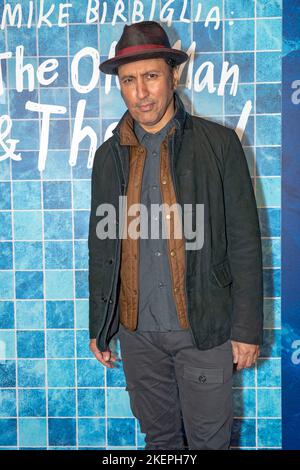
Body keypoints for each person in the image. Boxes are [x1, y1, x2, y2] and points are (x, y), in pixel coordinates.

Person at [88, 20, 263, 450]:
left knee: (209, 442)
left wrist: (246, 329)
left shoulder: (219, 144)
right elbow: (102, 247)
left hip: (203, 330)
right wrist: (99, 324)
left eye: (151, 76)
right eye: (129, 81)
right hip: (137, 334)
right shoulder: (107, 156)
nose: (140, 93)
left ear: (173, 75)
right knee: (160, 443)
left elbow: (244, 241)